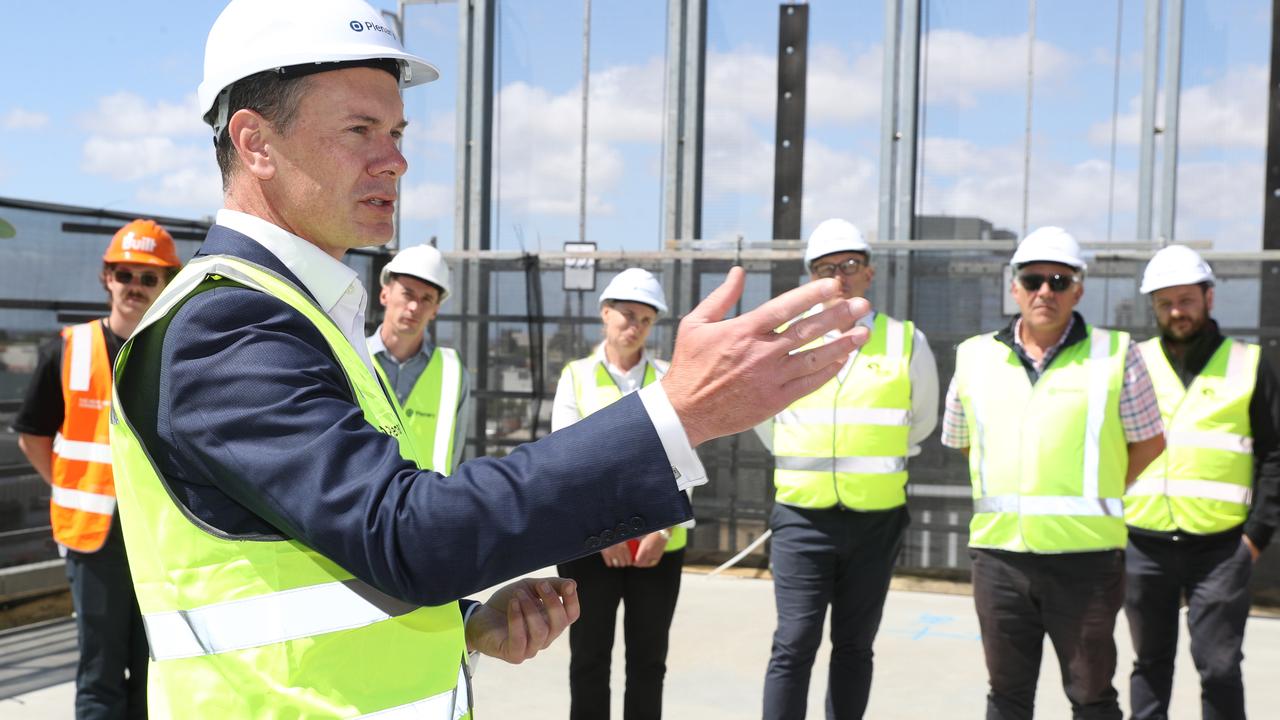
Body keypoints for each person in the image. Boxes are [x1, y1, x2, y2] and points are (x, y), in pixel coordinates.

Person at [106, 1, 872, 717]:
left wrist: (463, 620)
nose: (394, 162)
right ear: (254, 142)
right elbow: (405, 533)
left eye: (398, 133)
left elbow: (322, 552)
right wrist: (678, 415)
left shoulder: (296, 313)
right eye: (361, 131)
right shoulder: (228, 325)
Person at [941, 226, 1166, 720]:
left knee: (1091, 696)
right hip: (999, 558)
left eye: (1060, 281)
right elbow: (961, 441)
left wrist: (1101, 487)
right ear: (1014, 286)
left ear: (1078, 289)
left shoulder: (1117, 354)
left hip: (1085, 560)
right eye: (1034, 279)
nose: (1046, 290)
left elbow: (1150, 441)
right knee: (1006, 695)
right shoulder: (974, 356)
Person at [757, 219, 939, 719]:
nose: (839, 276)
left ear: (870, 273)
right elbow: (764, 419)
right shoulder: (786, 344)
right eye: (825, 268)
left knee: (855, 645)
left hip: (875, 520)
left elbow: (920, 421)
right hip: (801, 517)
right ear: (811, 279)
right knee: (793, 643)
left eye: (850, 265)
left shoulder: (906, 342)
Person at [13, 219, 181, 719]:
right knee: (100, 672)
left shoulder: (179, 355)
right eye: (125, 273)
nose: (135, 286)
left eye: (149, 278)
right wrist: (71, 487)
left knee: (155, 666)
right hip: (94, 538)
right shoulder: (67, 350)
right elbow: (31, 437)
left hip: (159, 537)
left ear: (167, 284)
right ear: (107, 277)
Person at [1123, 245, 1280, 720]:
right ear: (1153, 305)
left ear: (1209, 299)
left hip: (1222, 549)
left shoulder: (1249, 364)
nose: (1176, 311)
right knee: (1149, 664)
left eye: (1186, 299)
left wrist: (1254, 539)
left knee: (1219, 667)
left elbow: (1274, 455)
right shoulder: (1133, 363)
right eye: (1165, 302)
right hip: (1143, 544)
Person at [552, 268, 689, 720]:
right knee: (589, 660)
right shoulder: (575, 377)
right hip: (592, 548)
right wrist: (604, 535)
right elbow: (566, 465)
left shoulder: (670, 379)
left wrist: (665, 530)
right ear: (605, 314)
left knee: (648, 663)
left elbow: (686, 457)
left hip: (657, 546)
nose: (634, 327)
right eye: (626, 315)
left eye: (645, 320)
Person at [367, 243, 470, 473]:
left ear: (435, 309)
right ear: (385, 294)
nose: (414, 306)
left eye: (426, 299)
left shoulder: (453, 372)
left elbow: (454, 453)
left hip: (424, 505)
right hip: (357, 504)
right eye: (407, 293)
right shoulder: (350, 357)